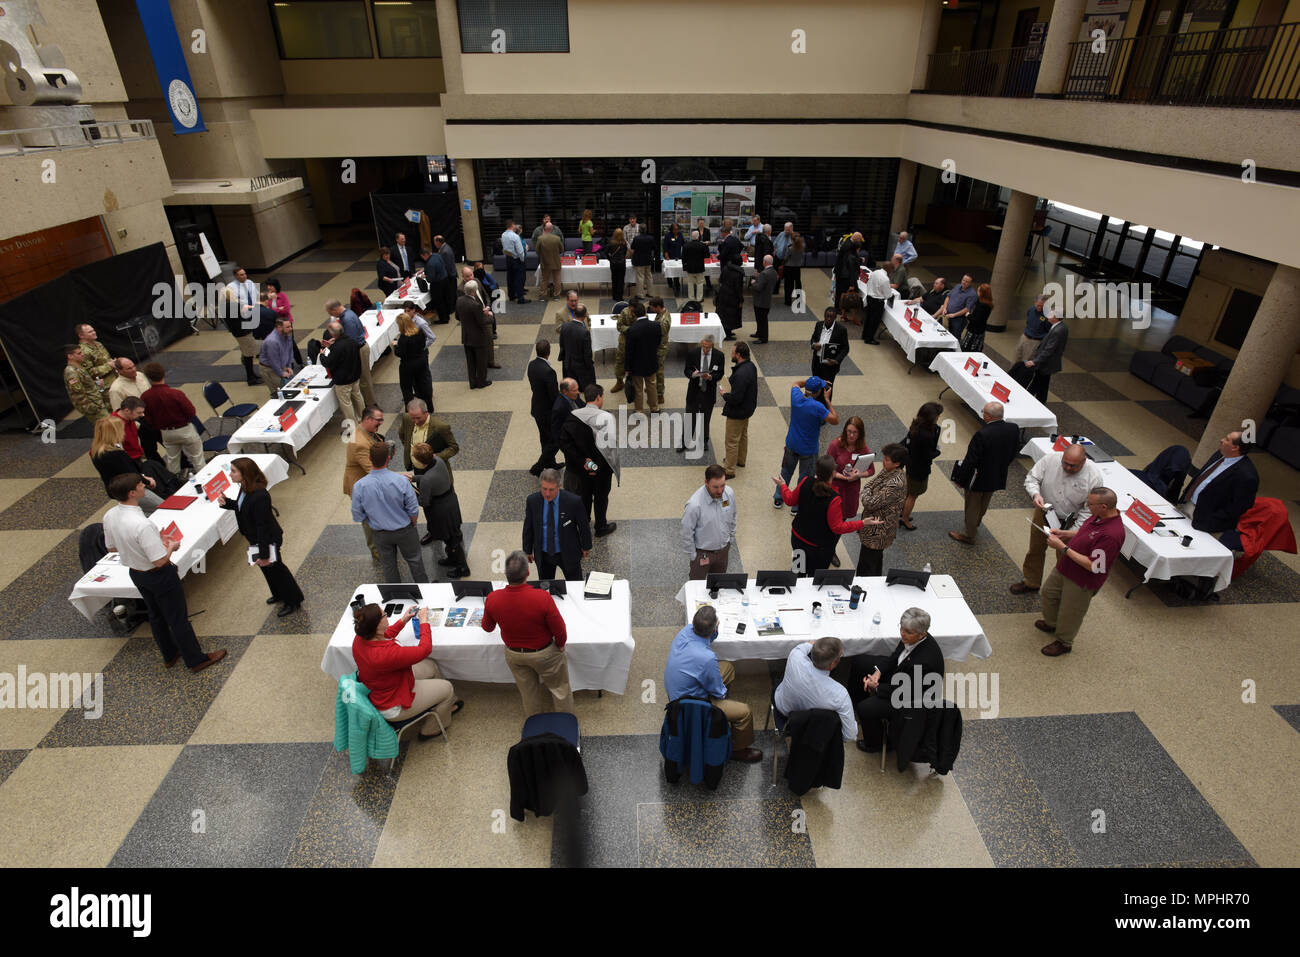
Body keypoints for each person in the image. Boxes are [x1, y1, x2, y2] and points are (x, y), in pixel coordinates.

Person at [102, 473, 227, 673]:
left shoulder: (110, 515)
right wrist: (172, 546)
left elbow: (112, 549)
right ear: (132, 493)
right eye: (140, 484)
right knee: (178, 618)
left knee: (156, 615)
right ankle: (196, 660)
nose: (144, 485)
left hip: (137, 574)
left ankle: (169, 654)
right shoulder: (142, 524)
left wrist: (149, 544)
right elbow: (160, 560)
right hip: (159, 575)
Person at [664, 605, 762, 763]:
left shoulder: (685, 631)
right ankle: (737, 749)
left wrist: (713, 630)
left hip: (676, 694)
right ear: (715, 626)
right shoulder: (707, 658)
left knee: (728, 668)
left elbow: (706, 639)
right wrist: (722, 695)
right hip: (691, 707)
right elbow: (718, 691)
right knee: (744, 712)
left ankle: (720, 714)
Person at [1036, 487, 1125, 656]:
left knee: (1071, 611)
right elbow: (1085, 532)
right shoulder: (1098, 516)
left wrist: (1062, 547)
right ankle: (1052, 622)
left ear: (1104, 506)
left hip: (1081, 579)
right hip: (1066, 567)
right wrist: (1065, 534)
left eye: (1090, 504)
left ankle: (1064, 642)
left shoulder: (1112, 535)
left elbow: (1094, 566)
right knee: (1049, 593)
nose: (1086, 506)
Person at [482, 550, 573, 715]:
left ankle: (534, 724)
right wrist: (560, 645)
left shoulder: (492, 598)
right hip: (545, 653)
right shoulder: (542, 598)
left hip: (514, 655)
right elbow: (559, 629)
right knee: (560, 690)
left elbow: (487, 628)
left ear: (505, 573)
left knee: (528, 693)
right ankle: (565, 721)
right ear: (528, 573)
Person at [353, 603, 460, 739]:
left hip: (385, 685)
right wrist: (424, 622)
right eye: (384, 615)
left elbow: (384, 635)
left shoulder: (360, 638)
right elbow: (424, 649)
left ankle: (444, 706)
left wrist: (403, 620)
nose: (387, 616)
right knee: (448, 688)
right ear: (376, 625)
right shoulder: (386, 654)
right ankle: (432, 728)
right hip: (394, 704)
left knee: (431, 666)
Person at [847, 607, 942, 753]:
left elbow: (904, 692)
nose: (902, 633)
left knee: (865, 708)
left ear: (922, 634)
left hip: (911, 700)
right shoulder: (912, 637)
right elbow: (895, 657)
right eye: (902, 628)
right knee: (859, 661)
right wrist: (878, 672)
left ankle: (875, 743)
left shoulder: (924, 663)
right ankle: (856, 700)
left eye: (907, 632)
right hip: (902, 676)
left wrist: (877, 687)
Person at [1011, 444, 1102, 595]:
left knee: (1066, 557)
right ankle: (1031, 581)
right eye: (1065, 463)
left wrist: (1070, 533)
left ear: (1084, 461)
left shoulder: (1094, 477)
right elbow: (1032, 478)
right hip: (1045, 512)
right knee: (1035, 548)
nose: (1068, 468)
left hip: (1071, 521)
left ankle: (1060, 591)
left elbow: (1089, 511)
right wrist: (1035, 494)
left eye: (1073, 466)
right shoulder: (1050, 459)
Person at [219, 457, 304, 617]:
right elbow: (243, 507)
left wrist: (264, 553)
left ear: (244, 473)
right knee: (267, 570)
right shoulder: (244, 487)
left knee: (277, 569)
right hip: (256, 538)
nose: (230, 474)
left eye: (233, 471)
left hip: (267, 538)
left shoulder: (259, 495)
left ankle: (293, 600)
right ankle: (278, 594)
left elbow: (262, 526)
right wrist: (227, 503)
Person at [351, 441, 428, 584]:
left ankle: (396, 595)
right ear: (388, 458)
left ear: (369, 458)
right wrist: (413, 522)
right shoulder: (401, 481)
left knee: (389, 566)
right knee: (415, 561)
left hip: (380, 534)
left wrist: (373, 519)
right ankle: (425, 591)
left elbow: (357, 515)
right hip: (405, 530)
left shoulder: (359, 486)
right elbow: (413, 508)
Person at [774, 455, 865, 573]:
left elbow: (790, 500)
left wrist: (783, 486)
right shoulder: (834, 499)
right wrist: (862, 523)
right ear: (833, 473)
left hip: (798, 538)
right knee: (814, 579)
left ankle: (797, 582)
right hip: (819, 548)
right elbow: (837, 528)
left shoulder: (806, 481)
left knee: (798, 570)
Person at [949, 401, 1021, 544]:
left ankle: (969, 535)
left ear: (988, 416)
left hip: (978, 477)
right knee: (985, 502)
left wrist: (960, 478)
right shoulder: (1014, 428)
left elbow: (971, 460)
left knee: (972, 505)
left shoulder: (982, 434)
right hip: (997, 474)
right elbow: (1014, 450)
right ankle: (976, 523)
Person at [557, 384, 619, 536]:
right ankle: (600, 527)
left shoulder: (573, 416)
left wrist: (585, 462)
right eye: (602, 397)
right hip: (601, 471)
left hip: (580, 470)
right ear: (598, 397)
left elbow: (564, 443)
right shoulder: (606, 418)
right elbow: (609, 448)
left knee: (584, 498)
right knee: (601, 498)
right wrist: (595, 467)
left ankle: (584, 528)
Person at [774, 376, 840, 511]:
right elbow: (835, 420)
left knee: (786, 472)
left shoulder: (796, 397)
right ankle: (797, 505)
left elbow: (796, 383)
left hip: (792, 444)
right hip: (808, 450)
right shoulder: (818, 407)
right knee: (804, 478)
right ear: (818, 392)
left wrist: (810, 382)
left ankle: (778, 498)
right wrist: (827, 399)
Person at [774, 637, 856, 742]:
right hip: (813, 730)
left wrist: (817, 645)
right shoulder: (840, 694)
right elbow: (849, 736)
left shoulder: (795, 656)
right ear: (832, 664)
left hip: (782, 707)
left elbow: (808, 644)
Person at [1178, 430, 1260, 534]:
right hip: (1187, 504)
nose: (1221, 440)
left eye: (1227, 439)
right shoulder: (1219, 454)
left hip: (1204, 520)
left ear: (1235, 448)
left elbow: (1237, 508)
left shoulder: (1247, 476)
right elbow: (1202, 476)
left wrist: (1210, 522)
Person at [411, 442, 469, 575]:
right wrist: (414, 478)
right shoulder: (438, 460)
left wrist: (411, 491)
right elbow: (432, 477)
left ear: (419, 461)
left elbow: (423, 502)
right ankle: (453, 559)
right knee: (453, 535)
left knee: (451, 540)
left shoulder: (426, 480)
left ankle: (462, 568)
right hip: (450, 502)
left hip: (440, 511)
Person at [523, 468, 590, 582]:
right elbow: (528, 526)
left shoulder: (573, 501)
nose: (547, 493)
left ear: (559, 487)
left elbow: (583, 526)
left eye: (551, 489)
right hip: (544, 555)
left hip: (569, 553)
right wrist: (527, 549)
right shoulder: (532, 501)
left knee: (575, 584)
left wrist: (586, 546)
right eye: (544, 489)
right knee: (546, 586)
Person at [140, 362, 205, 476]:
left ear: (148, 377)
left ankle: (174, 485)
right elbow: (191, 412)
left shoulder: (145, 396)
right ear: (164, 374)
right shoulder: (175, 393)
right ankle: (205, 481)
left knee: (172, 461)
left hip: (166, 433)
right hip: (184, 429)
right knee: (197, 458)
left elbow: (148, 418)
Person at [90, 416, 163, 514]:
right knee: (162, 508)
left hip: (118, 489)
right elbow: (132, 473)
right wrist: (147, 481)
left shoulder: (96, 451)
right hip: (131, 488)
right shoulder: (116, 454)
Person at [855, 443, 908, 576]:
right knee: (870, 561)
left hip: (878, 532)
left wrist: (865, 492)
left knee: (869, 566)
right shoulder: (888, 470)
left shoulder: (896, 483)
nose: (883, 461)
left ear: (897, 464)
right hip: (872, 527)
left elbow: (870, 503)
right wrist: (867, 490)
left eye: (887, 459)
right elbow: (870, 484)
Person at [345, 405, 387, 562]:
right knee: (368, 519)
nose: (381, 423)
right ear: (368, 419)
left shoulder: (366, 431)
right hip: (362, 486)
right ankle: (376, 551)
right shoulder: (360, 443)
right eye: (378, 420)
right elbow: (373, 470)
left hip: (368, 482)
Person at [681, 464, 737, 581]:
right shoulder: (694, 505)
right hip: (703, 554)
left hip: (723, 551)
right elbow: (687, 531)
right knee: (696, 588)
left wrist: (730, 539)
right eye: (715, 487)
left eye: (723, 485)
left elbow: (733, 515)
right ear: (706, 483)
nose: (720, 491)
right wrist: (693, 555)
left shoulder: (729, 493)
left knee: (718, 586)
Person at [899, 401, 943, 530]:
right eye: (937, 415)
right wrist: (937, 452)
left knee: (909, 492)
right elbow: (927, 455)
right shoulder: (927, 435)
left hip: (911, 464)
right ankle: (905, 519)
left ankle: (903, 512)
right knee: (913, 495)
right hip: (919, 468)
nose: (938, 418)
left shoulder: (916, 425)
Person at [325, 298, 375, 407]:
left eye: (330, 313)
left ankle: (370, 404)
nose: (332, 316)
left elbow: (351, 342)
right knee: (364, 377)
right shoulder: (349, 312)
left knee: (364, 378)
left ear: (334, 309)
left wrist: (336, 346)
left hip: (359, 349)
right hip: (360, 346)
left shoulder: (346, 319)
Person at [719, 341, 756, 479]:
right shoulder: (751, 366)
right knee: (743, 435)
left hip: (737, 411)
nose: (731, 354)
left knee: (731, 440)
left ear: (739, 355)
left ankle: (729, 469)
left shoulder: (741, 374)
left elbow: (735, 398)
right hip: (747, 409)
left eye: (733, 352)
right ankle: (740, 460)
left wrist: (724, 394)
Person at [681, 335, 724, 453]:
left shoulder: (719, 356)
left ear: (712, 346)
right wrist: (693, 374)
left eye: (708, 348)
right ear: (701, 343)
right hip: (694, 391)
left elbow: (720, 373)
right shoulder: (693, 353)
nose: (705, 350)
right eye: (703, 347)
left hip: (708, 392)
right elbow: (686, 370)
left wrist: (711, 377)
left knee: (706, 418)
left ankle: (704, 440)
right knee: (690, 416)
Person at [828, 415, 873, 522]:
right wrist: (845, 477)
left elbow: (871, 470)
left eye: (855, 432)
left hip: (851, 492)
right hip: (836, 488)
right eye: (849, 431)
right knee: (831, 518)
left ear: (860, 433)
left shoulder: (863, 447)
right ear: (845, 431)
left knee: (843, 519)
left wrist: (859, 475)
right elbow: (827, 469)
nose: (851, 435)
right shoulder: (835, 445)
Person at [320, 319, 365, 425]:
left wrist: (322, 355)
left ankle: (352, 426)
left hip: (343, 381)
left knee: (346, 403)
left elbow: (329, 363)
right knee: (358, 397)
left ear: (332, 334)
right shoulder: (352, 341)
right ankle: (363, 418)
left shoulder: (336, 348)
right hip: (355, 375)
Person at [224, 267, 264, 385]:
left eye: (244, 274)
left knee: (248, 351)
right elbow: (236, 319)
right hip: (242, 330)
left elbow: (256, 296)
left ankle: (251, 374)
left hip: (248, 322)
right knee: (248, 352)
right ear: (236, 276)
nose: (244, 276)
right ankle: (250, 377)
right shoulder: (231, 303)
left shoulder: (250, 283)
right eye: (241, 275)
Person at [528, 339, 561, 476]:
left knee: (544, 438)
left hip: (537, 408)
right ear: (549, 352)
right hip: (547, 412)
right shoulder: (549, 372)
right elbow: (554, 396)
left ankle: (550, 463)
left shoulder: (531, 365)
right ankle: (538, 466)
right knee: (555, 440)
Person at [397, 398, 457, 474]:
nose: (416, 421)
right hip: (417, 469)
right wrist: (410, 448)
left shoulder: (441, 427)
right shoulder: (406, 418)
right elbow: (402, 434)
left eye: (418, 418)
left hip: (436, 470)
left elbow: (454, 447)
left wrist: (435, 457)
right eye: (412, 418)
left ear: (426, 413)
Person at [1023, 309, 1068, 402]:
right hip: (1048, 363)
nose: (1048, 316)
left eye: (1050, 314)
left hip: (1046, 364)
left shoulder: (1057, 331)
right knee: (1043, 385)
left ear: (1055, 317)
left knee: (1036, 383)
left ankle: (1025, 400)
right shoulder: (1062, 327)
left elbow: (1049, 350)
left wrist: (1034, 361)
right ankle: (1041, 402)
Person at [625, 302, 662, 414]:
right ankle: (654, 408)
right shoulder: (656, 325)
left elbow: (629, 352)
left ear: (633, 314)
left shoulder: (632, 330)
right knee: (652, 385)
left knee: (638, 388)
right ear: (645, 312)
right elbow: (658, 342)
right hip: (651, 361)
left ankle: (639, 410)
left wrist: (627, 367)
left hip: (637, 364)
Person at [393, 310, 434, 411]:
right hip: (421, 361)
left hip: (408, 365)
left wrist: (395, 346)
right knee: (423, 384)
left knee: (407, 388)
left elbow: (400, 353)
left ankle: (410, 409)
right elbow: (423, 345)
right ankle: (429, 406)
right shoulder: (419, 332)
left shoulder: (403, 338)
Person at [457, 281, 493, 389]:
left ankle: (472, 383)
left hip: (466, 336)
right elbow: (481, 321)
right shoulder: (476, 305)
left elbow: (457, 317)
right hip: (478, 337)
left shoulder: (459, 300)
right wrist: (490, 316)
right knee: (481, 361)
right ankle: (481, 382)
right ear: (474, 292)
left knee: (470, 362)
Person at [62, 343, 109, 424]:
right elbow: (78, 394)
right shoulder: (71, 372)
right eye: (79, 353)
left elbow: (85, 385)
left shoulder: (79, 367)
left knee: (107, 429)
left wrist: (96, 383)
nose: (82, 355)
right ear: (70, 356)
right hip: (94, 407)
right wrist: (92, 408)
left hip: (98, 402)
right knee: (109, 429)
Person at [552, 378, 584, 493]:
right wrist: (567, 449)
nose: (578, 392)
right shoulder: (559, 408)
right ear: (565, 392)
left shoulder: (575, 397)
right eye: (575, 390)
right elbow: (557, 434)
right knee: (572, 470)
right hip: (571, 446)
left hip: (580, 441)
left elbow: (584, 407)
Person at [559, 304, 596, 391]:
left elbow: (562, 344)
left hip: (568, 363)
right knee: (586, 388)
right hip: (581, 366)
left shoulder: (564, 326)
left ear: (574, 314)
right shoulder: (584, 332)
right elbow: (587, 352)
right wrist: (589, 366)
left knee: (571, 389)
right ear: (584, 316)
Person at [257, 316, 298, 396]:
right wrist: (281, 373)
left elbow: (290, 351)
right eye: (288, 327)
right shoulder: (272, 341)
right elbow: (273, 361)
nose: (291, 329)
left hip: (281, 365)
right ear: (279, 328)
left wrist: (289, 366)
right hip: (270, 369)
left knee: (290, 389)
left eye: (290, 326)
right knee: (279, 393)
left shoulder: (287, 335)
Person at [810, 307, 850, 382]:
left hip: (830, 365)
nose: (828, 319)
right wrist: (813, 345)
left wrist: (836, 361)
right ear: (824, 316)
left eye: (831, 317)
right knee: (815, 386)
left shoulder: (841, 330)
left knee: (827, 389)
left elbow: (845, 348)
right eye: (827, 316)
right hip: (816, 362)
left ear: (835, 317)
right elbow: (813, 339)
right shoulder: (819, 325)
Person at [74, 324, 116, 390]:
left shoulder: (98, 344)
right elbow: (88, 373)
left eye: (93, 330)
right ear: (81, 336)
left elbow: (106, 359)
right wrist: (109, 365)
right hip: (104, 386)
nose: (94, 333)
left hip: (114, 379)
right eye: (90, 332)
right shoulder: (82, 351)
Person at [935, 273, 977, 340]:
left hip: (958, 319)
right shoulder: (957, 286)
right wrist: (945, 308)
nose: (964, 282)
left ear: (971, 283)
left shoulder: (972, 294)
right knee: (940, 333)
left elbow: (967, 309)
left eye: (967, 281)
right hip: (946, 314)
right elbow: (948, 297)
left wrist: (954, 315)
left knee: (954, 338)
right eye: (963, 280)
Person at [646, 296, 673, 401]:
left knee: (659, 372)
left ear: (658, 307)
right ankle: (655, 388)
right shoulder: (662, 312)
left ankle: (660, 394)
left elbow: (656, 334)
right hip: (659, 346)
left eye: (652, 308)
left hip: (660, 349)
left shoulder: (663, 321)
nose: (650, 309)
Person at [860, 258, 891, 344]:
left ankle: (864, 335)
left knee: (868, 318)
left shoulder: (875, 272)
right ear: (889, 269)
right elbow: (888, 295)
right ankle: (869, 339)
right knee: (874, 321)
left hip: (869, 297)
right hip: (877, 302)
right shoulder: (885, 279)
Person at [715, 254, 745, 340]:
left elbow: (720, 279)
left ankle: (727, 331)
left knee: (724, 314)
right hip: (732, 296)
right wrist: (741, 299)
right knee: (731, 315)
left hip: (723, 293)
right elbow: (738, 288)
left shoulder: (725, 268)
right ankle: (727, 334)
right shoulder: (739, 273)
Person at [750, 255, 778, 343]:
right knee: (761, 318)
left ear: (764, 262)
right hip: (767, 299)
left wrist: (753, 282)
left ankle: (763, 338)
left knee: (762, 320)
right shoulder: (774, 272)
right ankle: (759, 333)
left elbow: (758, 287)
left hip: (760, 301)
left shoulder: (764, 273)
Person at [501, 219, 529, 305]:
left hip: (508, 258)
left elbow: (504, 247)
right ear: (512, 225)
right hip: (516, 259)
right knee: (519, 278)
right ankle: (520, 298)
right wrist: (522, 259)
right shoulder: (515, 236)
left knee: (510, 277)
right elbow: (520, 251)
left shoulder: (503, 235)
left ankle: (511, 295)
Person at [1016, 294, 1050, 364]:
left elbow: (1048, 330)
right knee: (1017, 357)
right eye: (1038, 305)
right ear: (1035, 302)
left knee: (1026, 362)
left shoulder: (1048, 315)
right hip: (1024, 337)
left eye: (1042, 306)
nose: (1040, 307)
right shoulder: (1031, 309)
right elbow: (1028, 321)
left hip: (1035, 341)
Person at [960, 282, 993, 353]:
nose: (977, 292)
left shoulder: (982, 306)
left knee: (968, 349)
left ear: (982, 293)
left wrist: (968, 315)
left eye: (978, 291)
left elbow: (976, 320)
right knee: (976, 349)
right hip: (981, 330)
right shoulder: (988, 303)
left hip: (974, 332)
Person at [535, 223, 564, 301]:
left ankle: (543, 296)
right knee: (557, 279)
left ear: (544, 229)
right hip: (556, 262)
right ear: (552, 229)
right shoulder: (557, 238)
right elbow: (561, 250)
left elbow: (537, 251)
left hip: (545, 262)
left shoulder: (540, 238)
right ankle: (556, 296)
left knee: (544, 280)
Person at [833, 233, 863, 303]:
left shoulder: (848, 241)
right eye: (859, 239)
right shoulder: (848, 246)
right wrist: (852, 283)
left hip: (841, 272)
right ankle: (840, 307)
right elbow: (849, 263)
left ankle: (840, 307)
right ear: (856, 238)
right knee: (841, 293)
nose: (860, 241)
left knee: (839, 292)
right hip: (843, 274)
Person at [631, 223, 657, 297]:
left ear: (639, 230)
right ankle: (650, 293)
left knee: (640, 277)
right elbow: (654, 248)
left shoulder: (636, 238)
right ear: (646, 230)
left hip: (639, 260)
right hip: (648, 259)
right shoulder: (651, 238)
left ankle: (640, 294)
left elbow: (632, 248)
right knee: (649, 276)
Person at [682, 229, 708, 304]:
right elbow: (707, 255)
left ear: (692, 237)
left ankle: (691, 298)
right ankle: (699, 298)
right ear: (698, 237)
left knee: (690, 283)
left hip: (690, 267)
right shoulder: (702, 245)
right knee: (700, 283)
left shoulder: (686, 245)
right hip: (699, 267)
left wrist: (684, 267)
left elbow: (683, 257)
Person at [603, 227, 628, 302]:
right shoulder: (624, 243)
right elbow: (624, 253)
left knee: (614, 279)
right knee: (621, 280)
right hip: (621, 263)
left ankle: (614, 296)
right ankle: (619, 297)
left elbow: (605, 253)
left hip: (613, 263)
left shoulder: (611, 243)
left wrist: (610, 259)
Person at [783, 231, 804, 307]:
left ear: (792, 239)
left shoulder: (790, 248)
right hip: (797, 267)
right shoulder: (802, 246)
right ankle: (799, 300)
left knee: (789, 285)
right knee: (798, 284)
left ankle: (788, 301)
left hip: (789, 267)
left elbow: (786, 257)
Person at [662, 222, 685, 295]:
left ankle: (677, 286)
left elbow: (683, 244)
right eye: (675, 229)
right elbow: (665, 246)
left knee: (676, 272)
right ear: (671, 229)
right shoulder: (668, 235)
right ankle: (670, 283)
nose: (676, 231)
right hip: (669, 256)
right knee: (669, 271)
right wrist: (666, 255)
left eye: (677, 229)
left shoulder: (680, 234)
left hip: (678, 256)